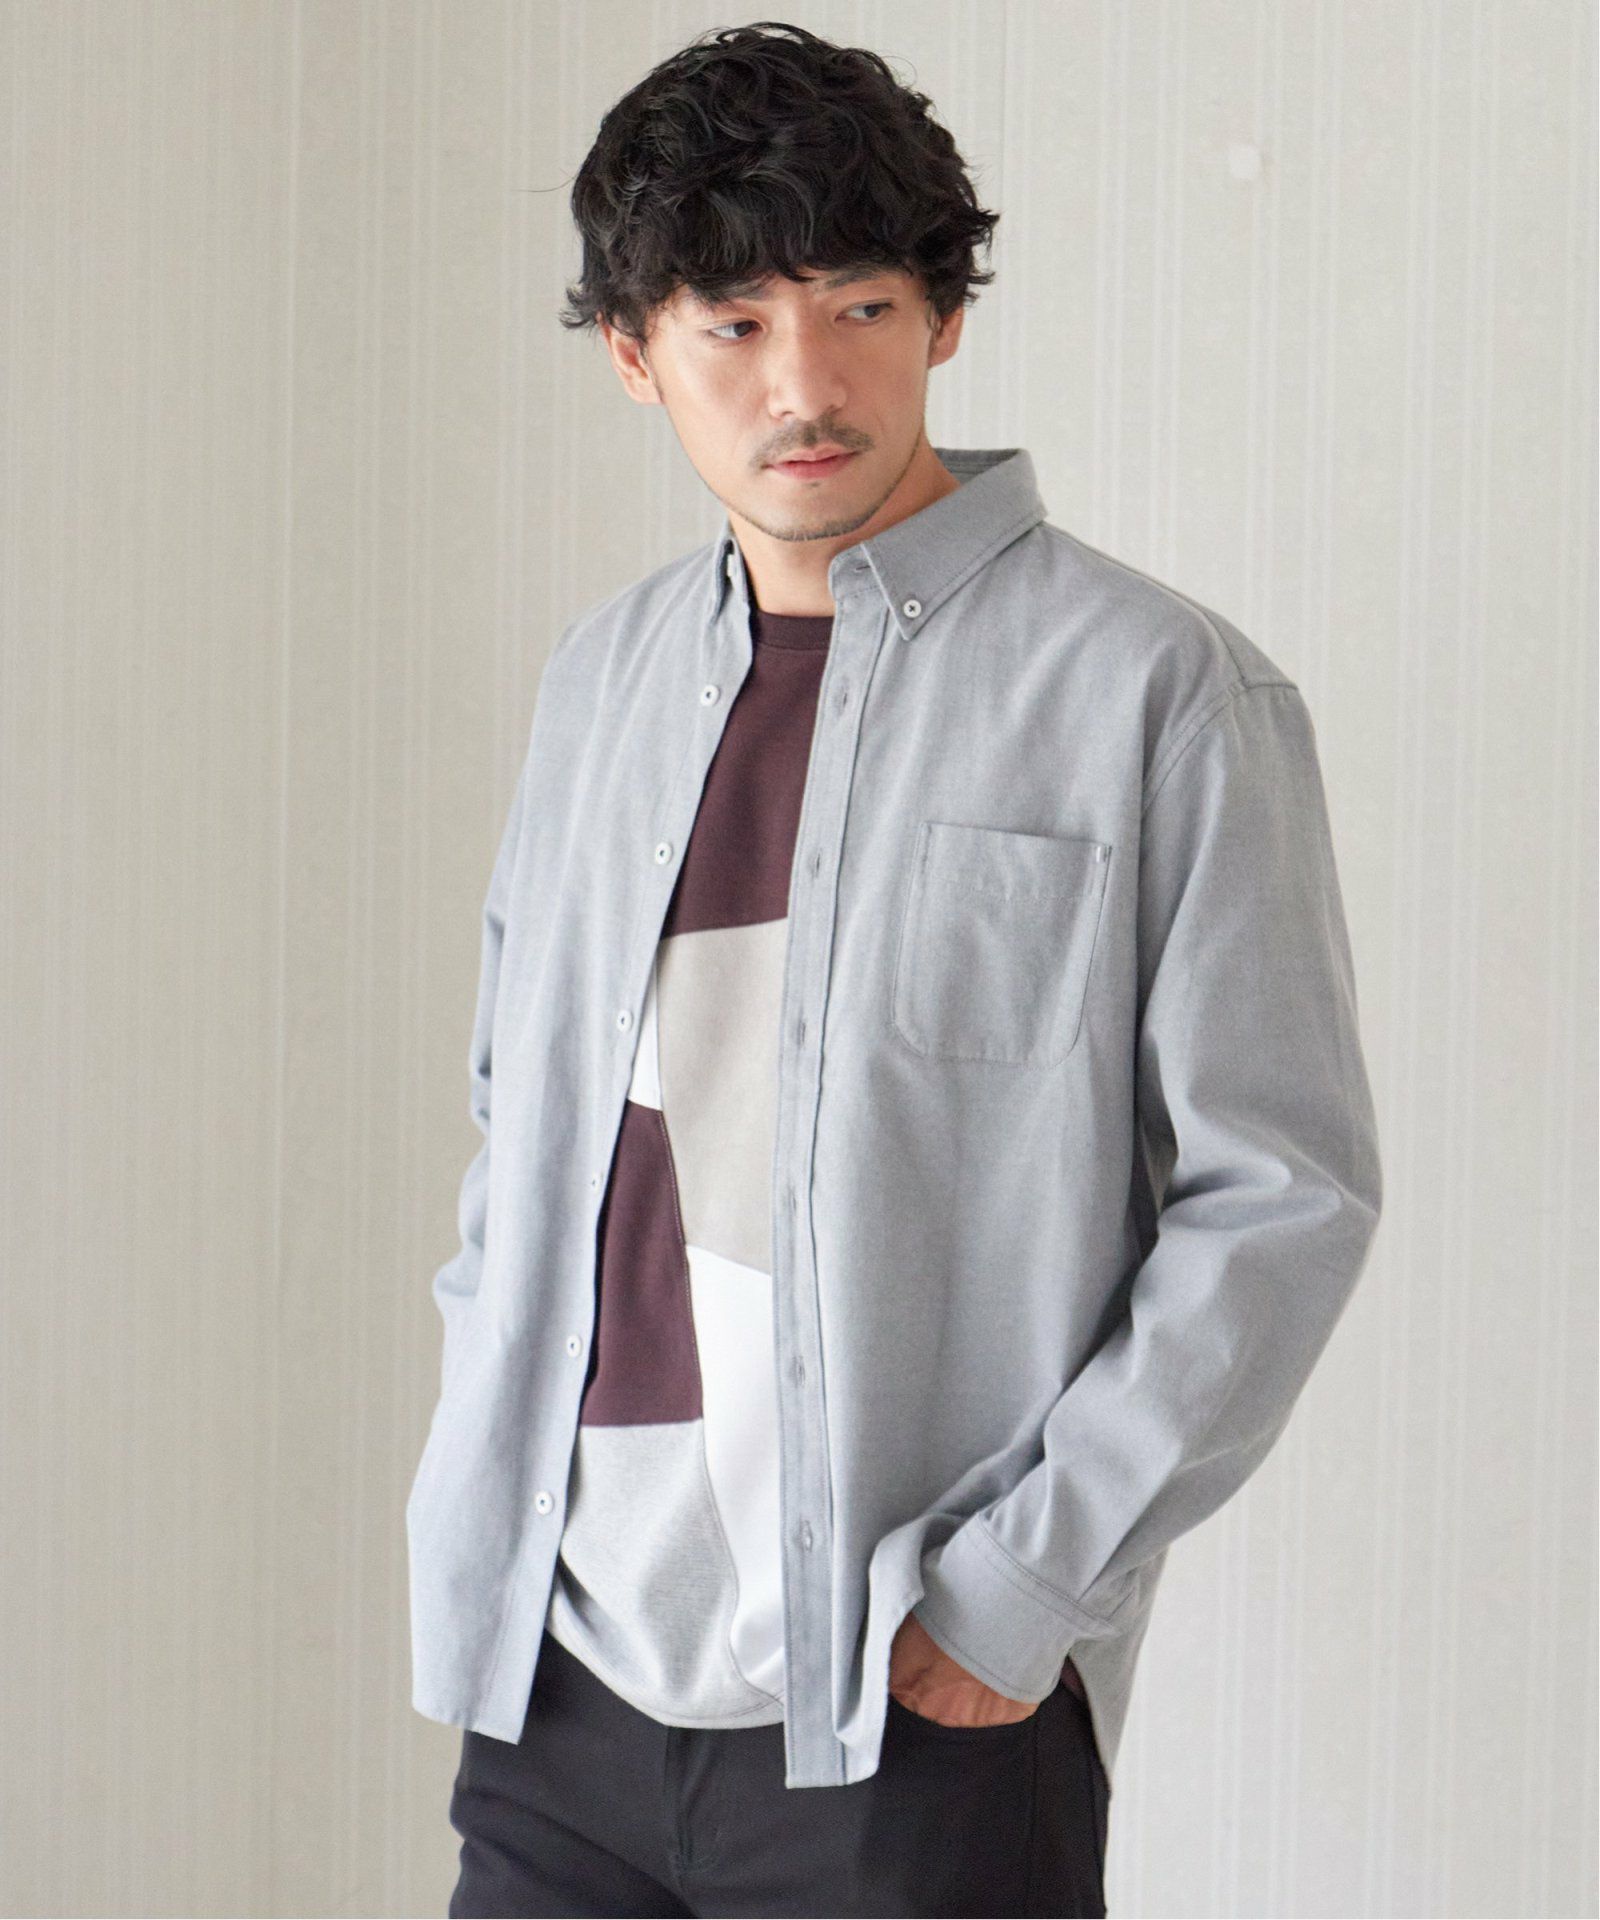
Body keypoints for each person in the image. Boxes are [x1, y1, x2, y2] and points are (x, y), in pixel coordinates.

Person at [405, 20, 1385, 1918]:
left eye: (860, 306)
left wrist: (1021, 1592)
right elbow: (521, 1133)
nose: (806, 383)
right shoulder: (599, 685)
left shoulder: (1157, 693)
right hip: (560, 1688)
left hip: (904, 1713)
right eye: (734, 323)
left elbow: (1282, 1197)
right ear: (635, 354)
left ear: (942, 318)